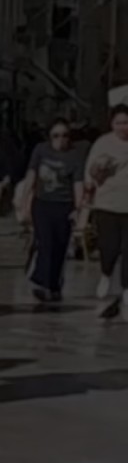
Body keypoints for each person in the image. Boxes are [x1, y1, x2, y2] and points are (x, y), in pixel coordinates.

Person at [20, 118, 86, 303]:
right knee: (46, 243)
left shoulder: (75, 155)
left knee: (60, 246)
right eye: (56, 135)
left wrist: (78, 210)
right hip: (42, 203)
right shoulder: (41, 150)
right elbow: (31, 176)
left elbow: (78, 183)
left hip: (64, 205)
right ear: (49, 137)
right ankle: (41, 282)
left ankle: (55, 285)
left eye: (65, 135)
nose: (61, 140)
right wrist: (24, 203)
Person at [85, 105, 128, 319]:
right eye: (119, 123)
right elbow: (90, 174)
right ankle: (106, 273)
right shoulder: (103, 143)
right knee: (109, 247)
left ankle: (127, 291)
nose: (123, 127)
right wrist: (99, 169)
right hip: (107, 204)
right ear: (112, 124)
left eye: (126, 122)